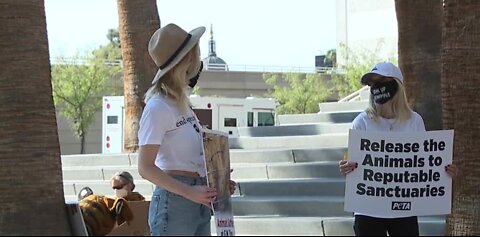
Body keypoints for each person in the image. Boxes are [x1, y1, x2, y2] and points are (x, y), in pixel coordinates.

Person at [137, 23, 236, 236]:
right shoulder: (158, 106)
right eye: (192, 54)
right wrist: (190, 192)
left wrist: (218, 180)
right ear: (185, 61)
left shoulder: (181, 105)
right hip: (176, 202)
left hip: (197, 198)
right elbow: (145, 167)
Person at [338, 62, 458, 236]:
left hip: (404, 208)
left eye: (382, 80)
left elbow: (423, 163)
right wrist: (346, 166)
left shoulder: (415, 121)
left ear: (396, 85)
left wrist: (443, 170)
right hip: (368, 209)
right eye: (373, 83)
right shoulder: (361, 122)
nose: (377, 87)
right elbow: (352, 158)